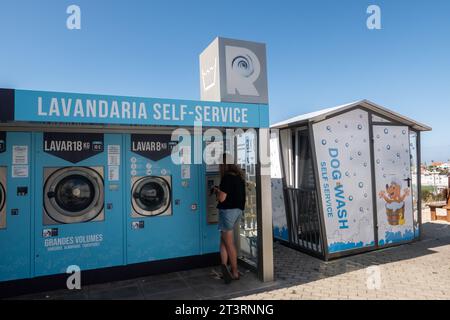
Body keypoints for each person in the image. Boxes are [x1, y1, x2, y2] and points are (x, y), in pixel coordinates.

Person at [213, 154, 246, 284]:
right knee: (223, 240)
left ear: (224, 165)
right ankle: (224, 267)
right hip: (237, 211)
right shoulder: (239, 177)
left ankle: (235, 272)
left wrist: (216, 191)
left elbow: (222, 198)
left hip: (227, 212)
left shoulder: (226, 178)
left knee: (229, 243)